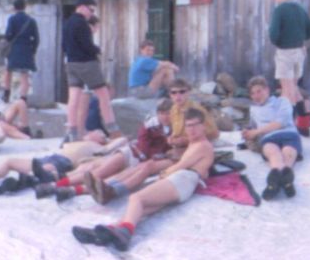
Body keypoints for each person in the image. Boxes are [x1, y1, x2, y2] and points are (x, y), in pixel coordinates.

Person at [71, 107, 215, 252]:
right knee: (143, 208)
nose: (191, 129)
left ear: (203, 126)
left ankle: (124, 234)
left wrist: (164, 174)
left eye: (195, 125)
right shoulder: (195, 144)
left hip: (183, 179)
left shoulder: (202, 145)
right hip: (183, 183)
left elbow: (180, 166)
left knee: (136, 198)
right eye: (188, 125)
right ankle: (109, 232)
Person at [75, 98, 175, 205]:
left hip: (142, 161)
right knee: (98, 172)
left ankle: (74, 190)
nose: (165, 116)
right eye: (162, 113)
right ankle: (60, 184)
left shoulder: (175, 127)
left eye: (168, 113)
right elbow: (143, 145)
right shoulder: (151, 124)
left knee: (112, 177)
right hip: (134, 153)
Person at [0, 130, 121, 195]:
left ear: (101, 139)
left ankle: (25, 181)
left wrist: (109, 139)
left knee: (45, 169)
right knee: (9, 162)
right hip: (50, 158)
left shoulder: (98, 147)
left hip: (63, 162)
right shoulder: (76, 141)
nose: (91, 133)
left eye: (96, 133)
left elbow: (119, 142)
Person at [62, 0, 120, 142]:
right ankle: (113, 128)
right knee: (103, 95)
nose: (92, 13)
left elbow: (64, 45)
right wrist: (98, 50)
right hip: (87, 63)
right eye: (91, 9)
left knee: (73, 98)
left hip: (71, 63)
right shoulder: (81, 23)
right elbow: (86, 45)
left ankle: (72, 131)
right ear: (81, 7)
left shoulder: (67, 22)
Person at [268, 0, 310, 136]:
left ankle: (287, 127)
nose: (274, 0)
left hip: (285, 52)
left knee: (287, 90)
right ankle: (304, 126)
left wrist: (279, 42)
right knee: (294, 87)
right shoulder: (300, 8)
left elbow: (273, 34)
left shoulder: (279, 10)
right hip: (300, 51)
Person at [243, 76, 301, 200]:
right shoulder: (253, 109)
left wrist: (257, 131)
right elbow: (252, 126)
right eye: (253, 93)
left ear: (267, 90)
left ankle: (275, 182)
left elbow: (280, 123)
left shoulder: (282, 101)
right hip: (269, 138)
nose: (256, 95)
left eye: (259, 91)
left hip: (288, 133)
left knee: (287, 152)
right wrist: (247, 132)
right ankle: (283, 179)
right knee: (272, 152)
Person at [167, 78, 219, 158]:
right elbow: (176, 132)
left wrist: (186, 140)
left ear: (188, 93)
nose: (178, 96)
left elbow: (214, 134)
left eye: (182, 92)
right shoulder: (173, 110)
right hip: (180, 148)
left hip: (197, 148)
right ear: (170, 95)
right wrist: (171, 138)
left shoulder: (196, 110)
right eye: (174, 93)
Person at [0, 0, 39, 103]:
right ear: (24, 6)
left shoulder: (12, 19)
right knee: (24, 75)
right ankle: (23, 98)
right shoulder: (31, 21)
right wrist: (33, 50)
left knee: (8, 72)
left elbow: (8, 35)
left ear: (14, 7)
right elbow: (36, 38)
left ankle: (6, 95)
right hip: (26, 50)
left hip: (14, 50)